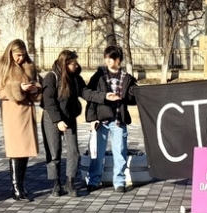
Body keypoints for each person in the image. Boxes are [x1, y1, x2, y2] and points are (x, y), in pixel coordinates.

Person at [40, 50, 107, 198]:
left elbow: (86, 92)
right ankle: (56, 183)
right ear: (65, 63)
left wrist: (104, 97)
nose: (76, 65)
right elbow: (49, 101)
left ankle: (70, 182)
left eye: (76, 62)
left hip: (69, 118)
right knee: (54, 153)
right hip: (52, 118)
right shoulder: (51, 77)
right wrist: (57, 121)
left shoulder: (75, 78)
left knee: (74, 151)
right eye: (73, 63)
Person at [85, 45, 137, 194]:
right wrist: (92, 118)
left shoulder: (127, 78)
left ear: (118, 59)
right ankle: (93, 180)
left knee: (120, 152)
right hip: (101, 120)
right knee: (96, 153)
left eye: (111, 58)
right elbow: (91, 97)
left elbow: (133, 99)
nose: (108, 60)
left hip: (119, 119)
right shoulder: (99, 76)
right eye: (106, 57)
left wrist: (130, 94)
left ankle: (119, 181)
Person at [0, 39, 41, 201]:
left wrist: (34, 89)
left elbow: (38, 85)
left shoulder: (29, 67)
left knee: (25, 149)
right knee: (16, 149)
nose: (20, 58)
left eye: (22, 55)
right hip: (13, 112)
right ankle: (16, 188)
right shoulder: (3, 68)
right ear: (11, 53)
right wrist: (17, 88)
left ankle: (21, 184)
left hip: (27, 111)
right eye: (17, 55)